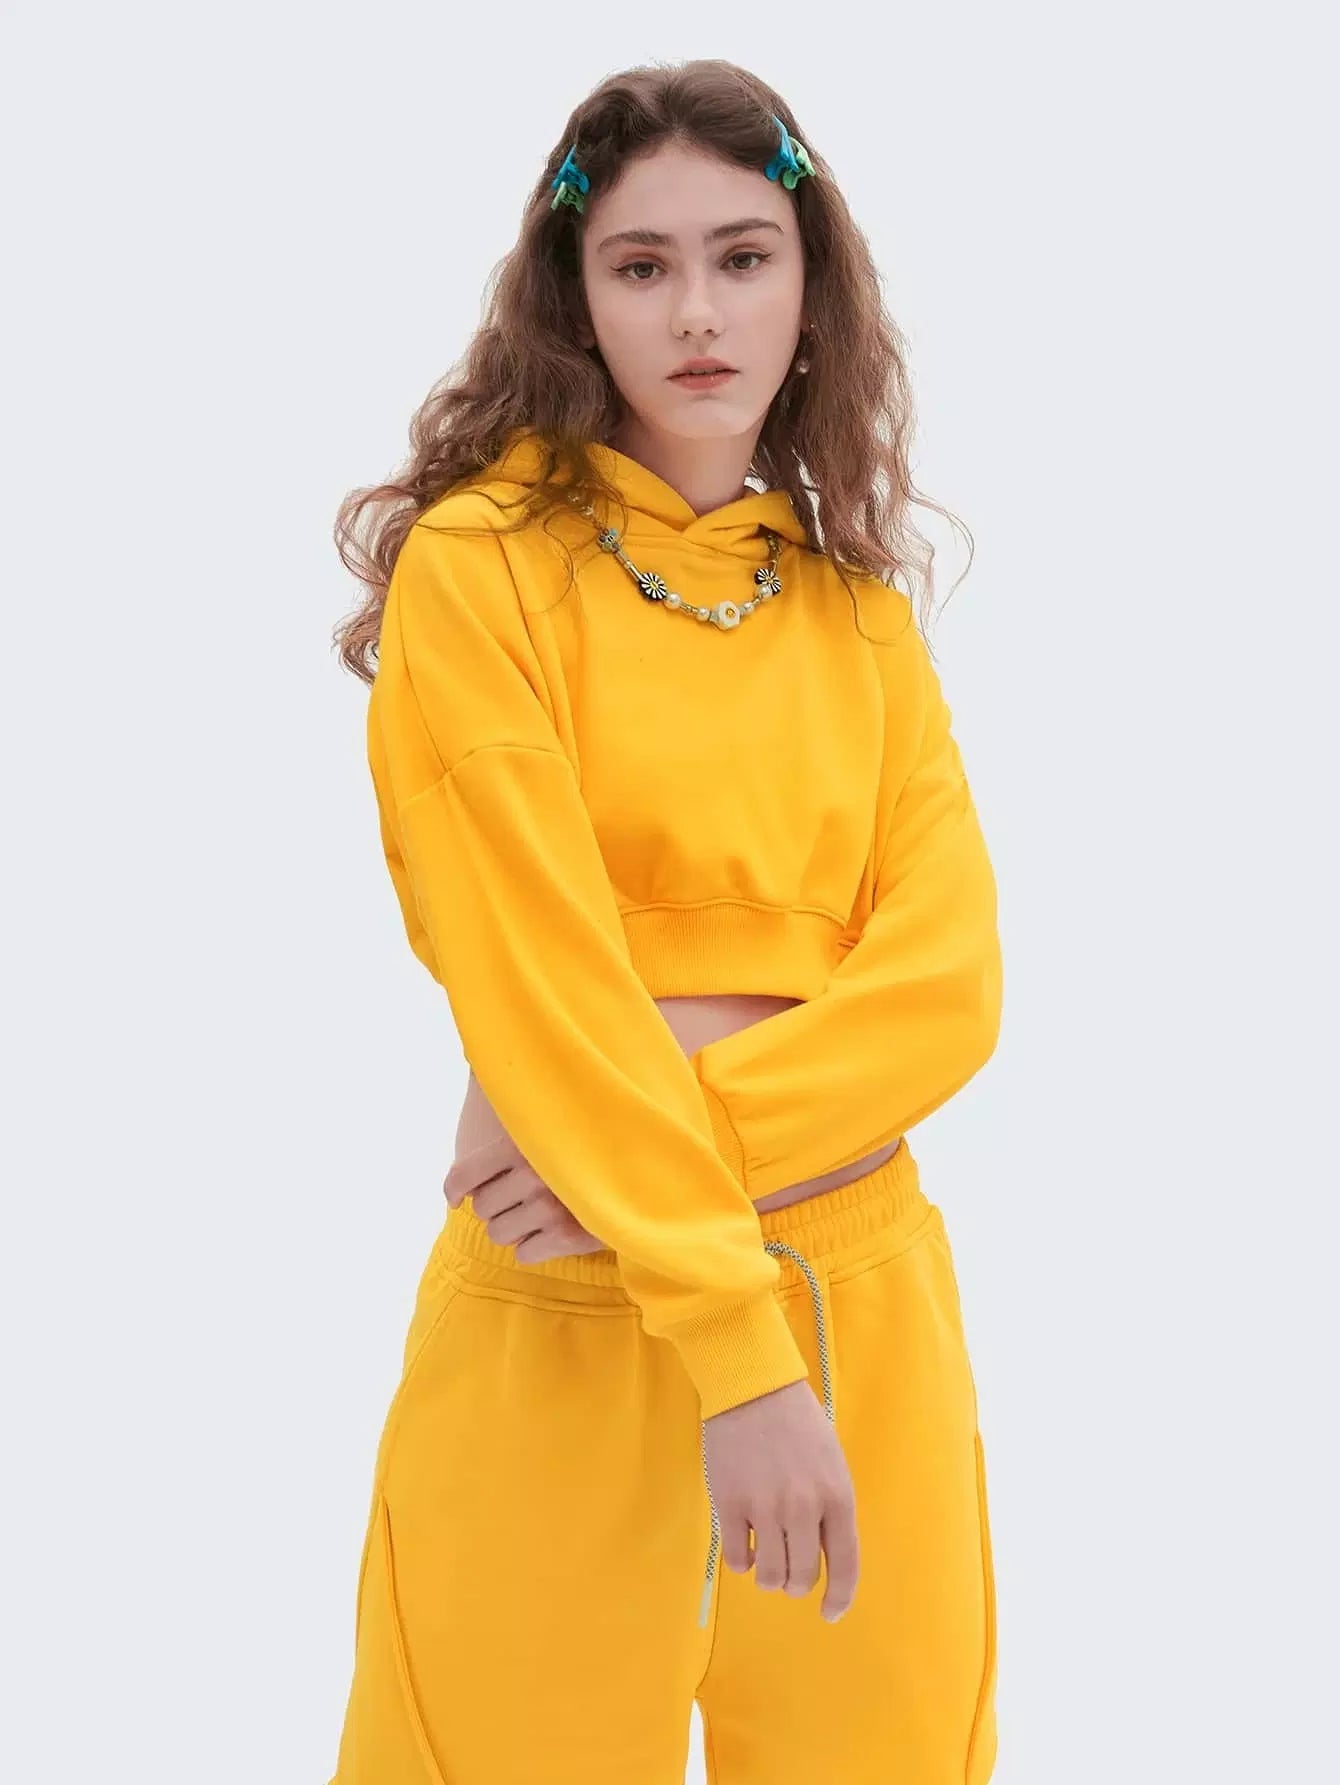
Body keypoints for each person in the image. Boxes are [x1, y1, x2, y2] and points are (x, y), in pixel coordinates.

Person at [326, 57, 1002, 1785]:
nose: (698, 311)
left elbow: (947, 990)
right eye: (642, 265)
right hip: (568, 1310)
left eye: (742, 256)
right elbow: (538, 973)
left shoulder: (861, 624)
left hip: (850, 1298)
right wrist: (733, 1342)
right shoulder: (481, 572)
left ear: (810, 286)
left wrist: (634, 1160)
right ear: (576, 298)